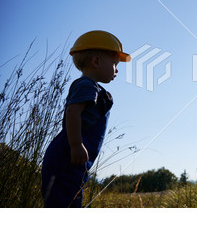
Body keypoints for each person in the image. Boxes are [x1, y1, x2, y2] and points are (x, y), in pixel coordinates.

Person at [41, 30, 131, 207]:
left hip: (73, 161)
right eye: (114, 63)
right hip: (67, 158)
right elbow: (72, 112)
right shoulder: (87, 85)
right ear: (96, 61)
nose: (117, 69)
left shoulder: (92, 88)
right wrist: (76, 144)